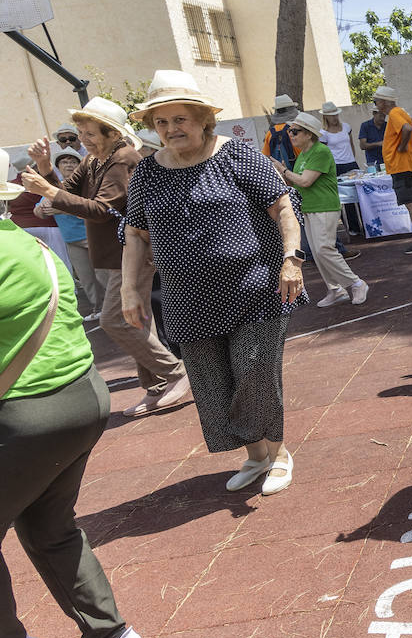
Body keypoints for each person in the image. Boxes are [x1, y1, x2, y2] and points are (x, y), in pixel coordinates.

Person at [1, 169, 149, 638]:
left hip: (27, 414)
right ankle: (110, 637)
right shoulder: (25, 242)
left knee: (49, 527)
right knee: (49, 526)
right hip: (80, 398)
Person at [121, 70, 307, 496]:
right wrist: (129, 289)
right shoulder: (147, 173)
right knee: (212, 380)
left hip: (256, 289)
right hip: (187, 298)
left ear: (203, 119)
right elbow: (135, 232)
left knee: (254, 372)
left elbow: (283, 208)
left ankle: (278, 454)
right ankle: (256, 454)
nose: (170, 130)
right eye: (161, 122)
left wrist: (291, 260)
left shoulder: (237, 156)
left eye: (180, 119)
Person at [21, 97, 190, 419]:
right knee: (135, 320)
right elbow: (68, 192)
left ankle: (175, 373)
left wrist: (47, 189)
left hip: (135, 252)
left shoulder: (123, 158)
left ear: (112, 133)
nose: (82, 140)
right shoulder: (94, 160)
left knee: (115, 319)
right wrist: (46, 169)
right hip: (116, 254)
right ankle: (156, 386)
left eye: (88, 133)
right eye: (79, 133)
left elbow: (99, 209)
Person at [273, 112, 368, 308]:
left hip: (324, 207)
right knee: (317, 253)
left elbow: (305, 181)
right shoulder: (304, 155)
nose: (291, 134)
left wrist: (283, 170)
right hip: (309, 207)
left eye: (295, 131)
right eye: (291, 131)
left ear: (309, 134)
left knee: (324, 249)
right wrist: (283, 173)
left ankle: (356, 283)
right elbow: (297, 182)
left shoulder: (320, 151)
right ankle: (335, 289)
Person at [39, 149, 100, 316]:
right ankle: (98, 309)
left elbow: (93, 210)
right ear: (58, 166)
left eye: (73, 162)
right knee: (86, 277)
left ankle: (114, 309)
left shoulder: (86, 184)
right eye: (64, 162)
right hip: (71, 240)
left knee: (103, 275)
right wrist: (43, 209)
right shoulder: (54, 187)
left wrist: (61, 210)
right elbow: (37, 212)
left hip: (92, 236)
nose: (69, 165)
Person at [375, 84, 412, 254]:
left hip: (401, 167)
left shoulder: (394, 113)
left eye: (376, 101)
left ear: (383, 102)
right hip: (402, 167)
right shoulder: (397, 113)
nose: (376, 105)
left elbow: (407, 129)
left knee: (411, 203)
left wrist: (401, 148)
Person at [317, 101, 359, 175]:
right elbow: (323, 152)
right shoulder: (323, 133)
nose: (334, 117)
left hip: (351, 162)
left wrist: (352, 158)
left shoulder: (346, 127)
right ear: (325, 116)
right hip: (336, 165)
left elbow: (351, 144)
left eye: (336, 115)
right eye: (331, 115)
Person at [261, 94, 299, 169]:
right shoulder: (295, 128)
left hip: (281, 173)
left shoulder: (270, 133)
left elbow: (266, 156)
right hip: (299, 171)